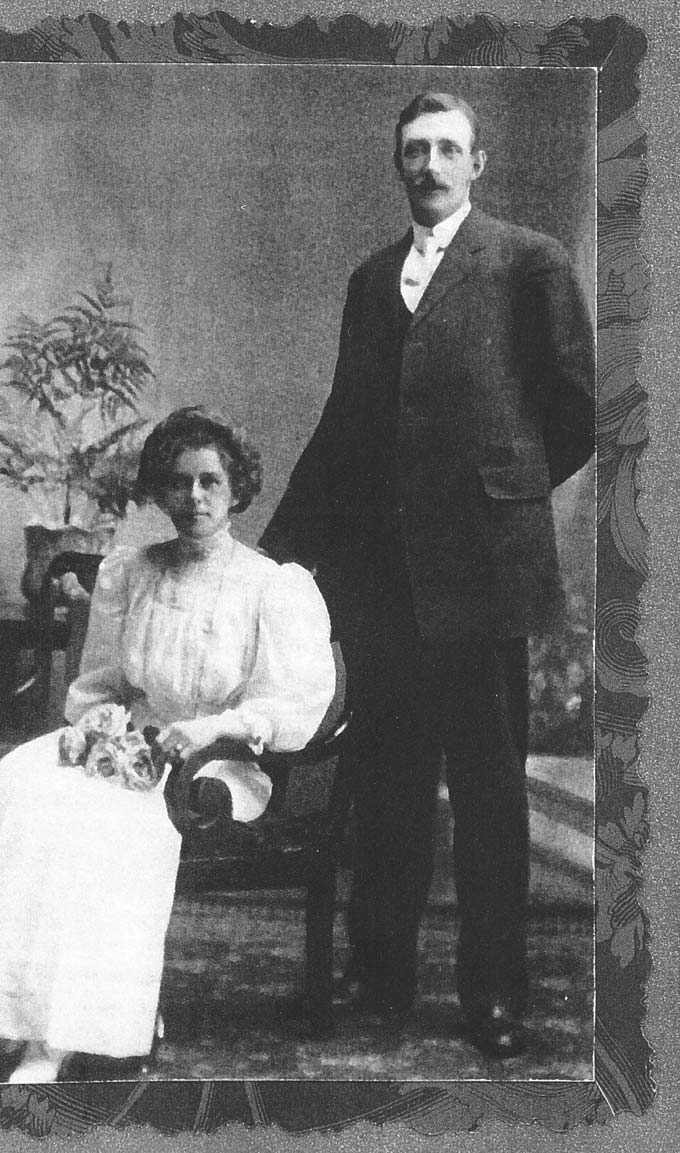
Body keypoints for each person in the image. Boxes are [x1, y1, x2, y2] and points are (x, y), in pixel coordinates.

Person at [259, 92, 595, 1057]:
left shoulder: (530, 259)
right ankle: (380, 975)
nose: (432, 164)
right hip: (384, 578)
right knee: (388, 778)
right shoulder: (371, 281)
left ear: (479, 164)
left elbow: (576, 407)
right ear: (397, 164)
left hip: (485, 572)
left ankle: (495, 991)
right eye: (415, 149)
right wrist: (275, 557)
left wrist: (506, 491)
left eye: (450, 148)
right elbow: (342, 427)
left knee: (489, 788)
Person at [0, 406, 336, 1082]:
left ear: (237, 487)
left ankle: (62, 1039)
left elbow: (294, 706)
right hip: (134, 743)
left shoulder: (272, 585)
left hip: (217, 765)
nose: (194, 498)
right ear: (161, 489)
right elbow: (101, 682)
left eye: (210, 481)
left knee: (106, 823)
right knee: (17, 782)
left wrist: (210, 729)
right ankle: (11, 1014)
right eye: (179, 483)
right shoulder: (131, 571)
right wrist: (97, 721)